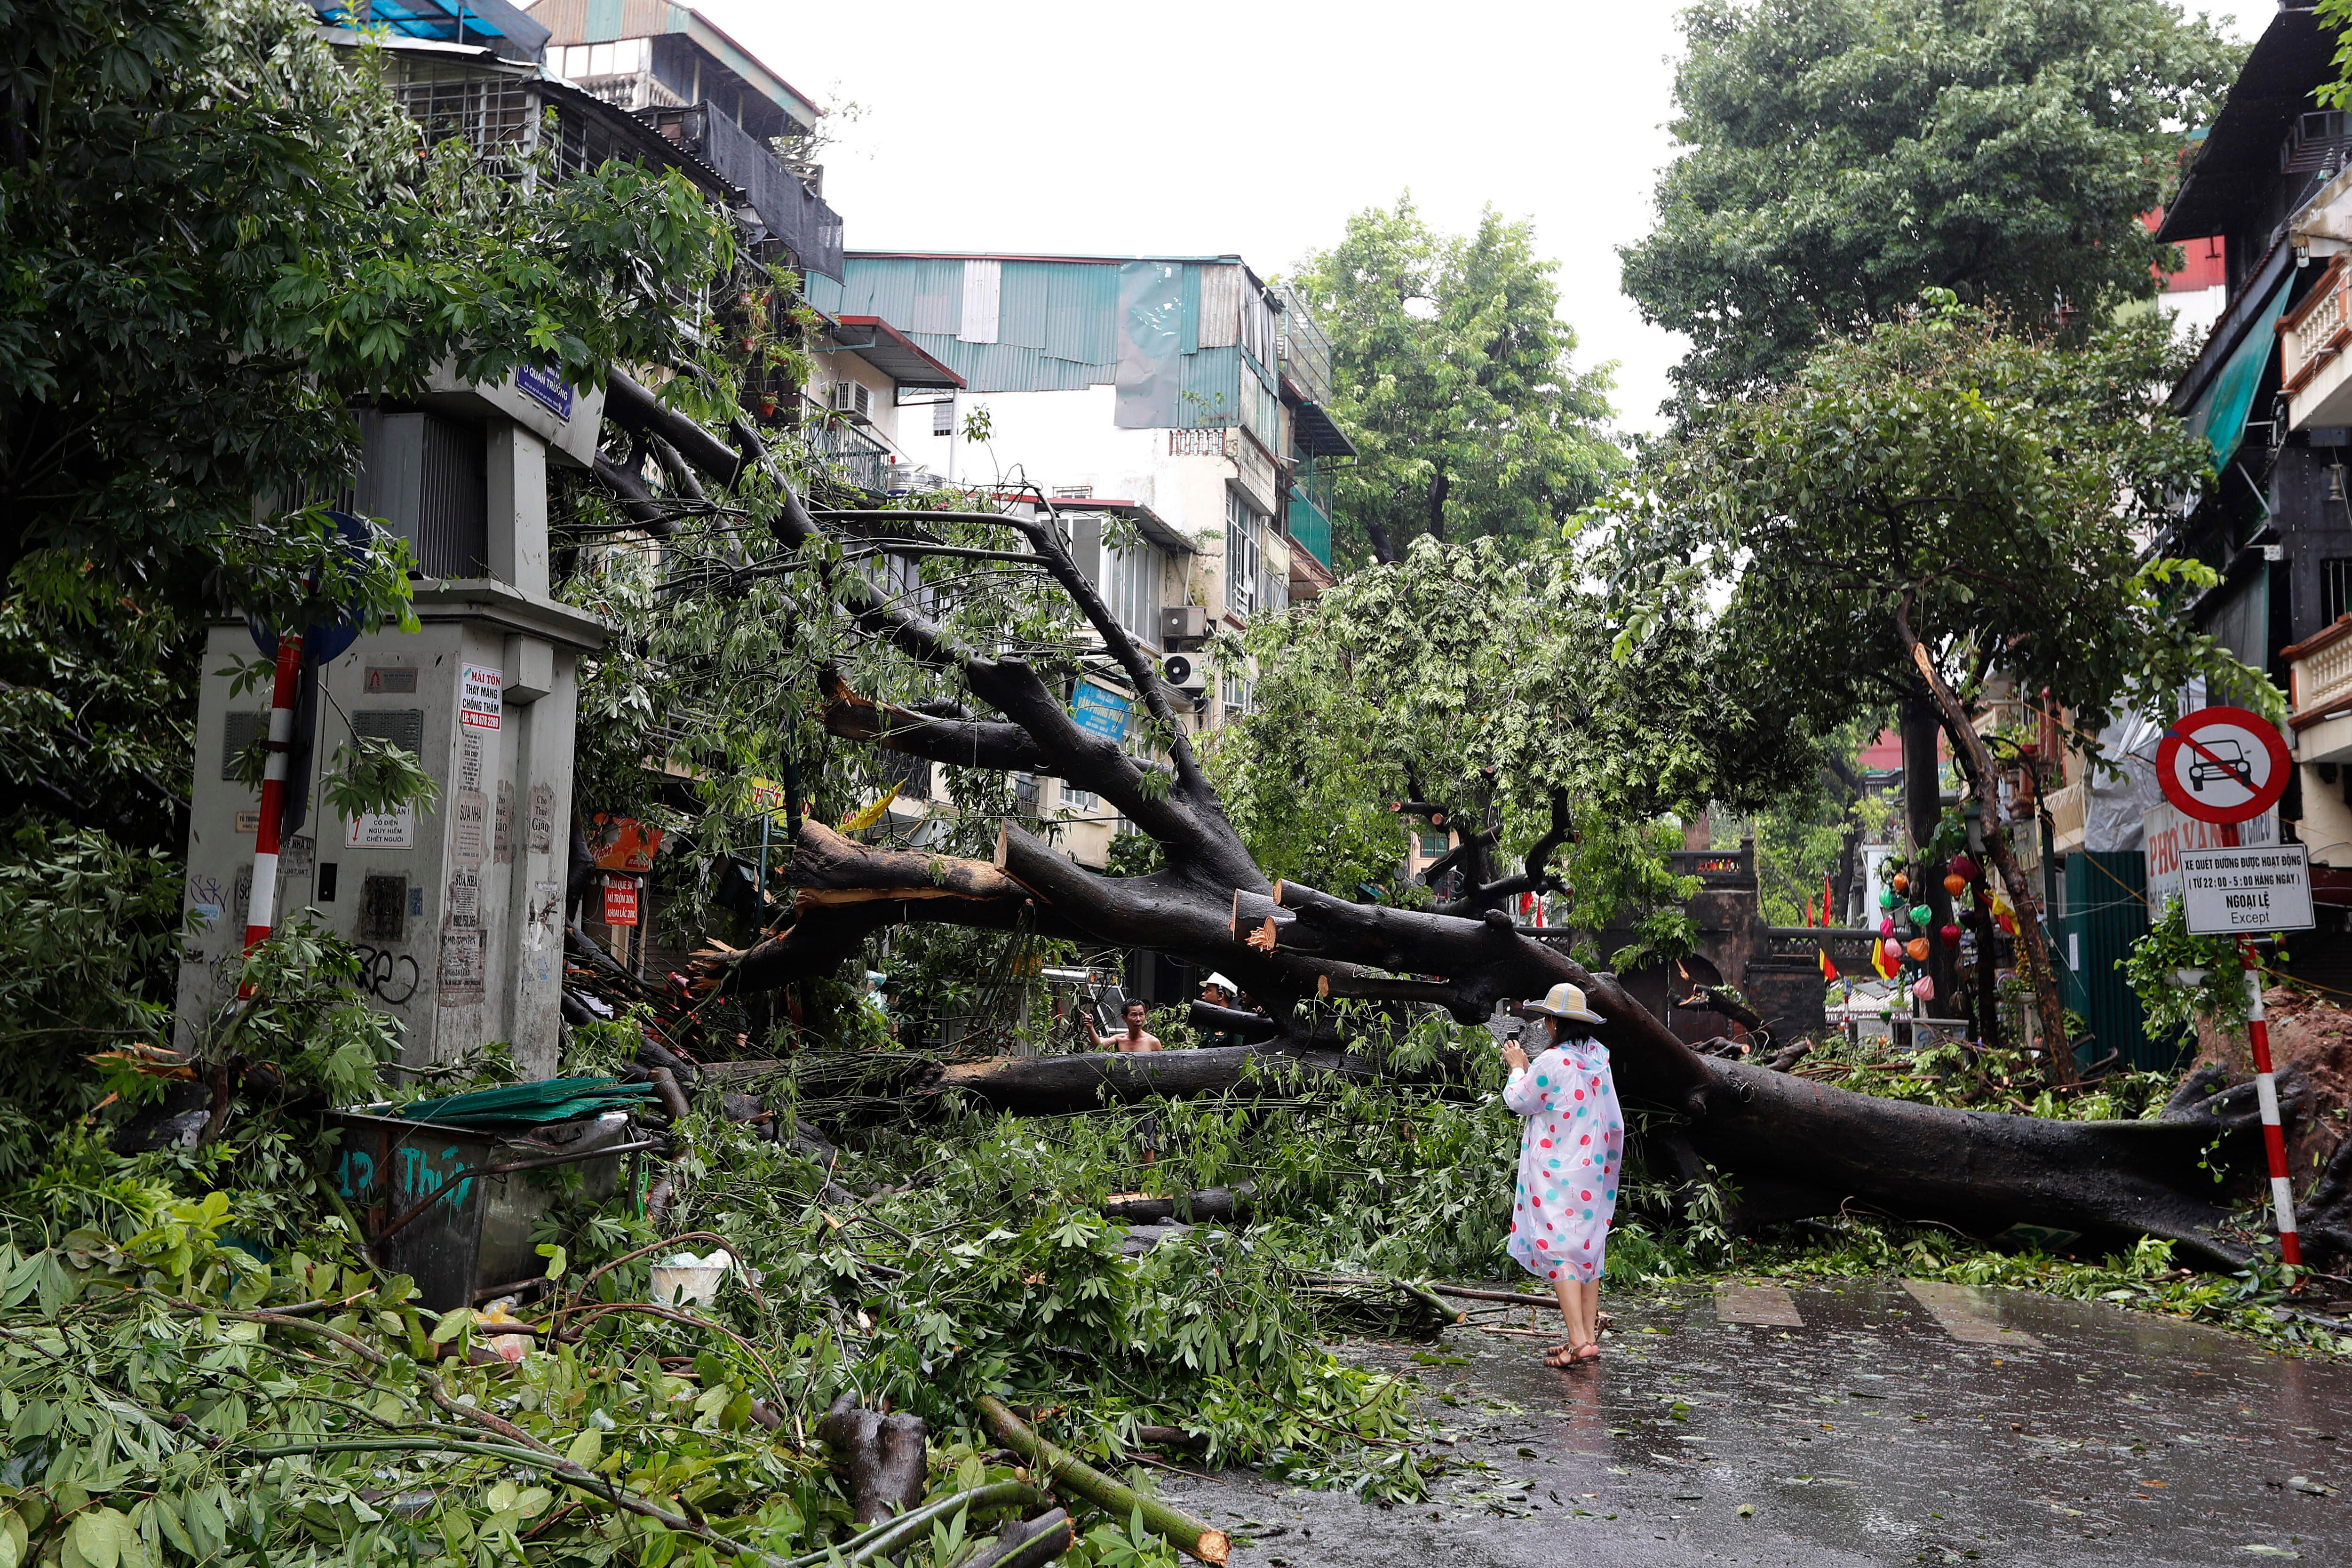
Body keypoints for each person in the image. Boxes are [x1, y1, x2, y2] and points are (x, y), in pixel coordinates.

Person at [1502, 981, 1624, 1367]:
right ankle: (1587, 1337)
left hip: (1555, 1170)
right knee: (1587, 1249)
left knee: (1559, 1250)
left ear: (1554, 1023)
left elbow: (1520, 1100)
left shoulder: (1553, 1062)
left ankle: (1576, 1340)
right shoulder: (1598, 1061)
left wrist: (1518, 1066)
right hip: (1591, 1170)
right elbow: (1615, 1121)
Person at [1081, 998, 1162, 1054]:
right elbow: (1099, 1046)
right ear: (1124, 1018)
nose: (1138, 1019)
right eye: (1134, 1015)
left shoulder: (1153, 1042)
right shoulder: (1119, 1039)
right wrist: (1090, 1027)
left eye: (1141, 1015)